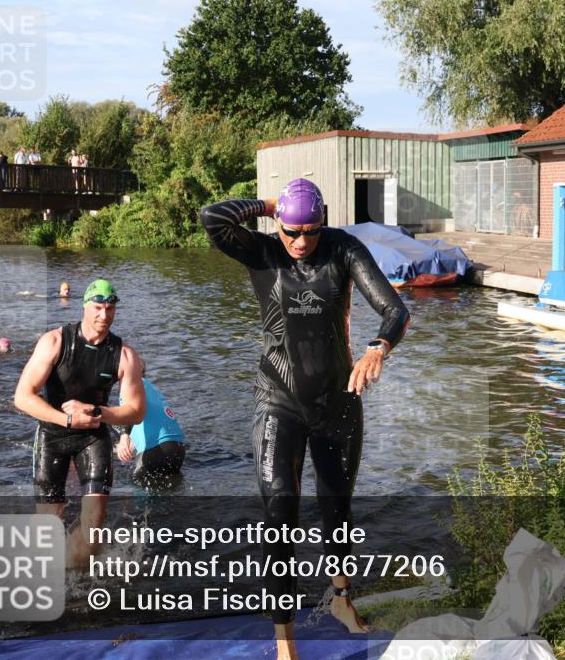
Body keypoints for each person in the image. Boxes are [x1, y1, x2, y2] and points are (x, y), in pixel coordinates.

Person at [200, 178, 410, 659]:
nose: (299, 242)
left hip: (338, 399)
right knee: (280, 513)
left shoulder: (343, 249)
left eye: (309, 231)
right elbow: (212, 217)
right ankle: (285, 642)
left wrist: (379, 347)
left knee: (337, 511)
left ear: (323, 222)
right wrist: (271, 205)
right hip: (279, 398)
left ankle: (340, 600)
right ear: (280, 225)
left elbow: (395, 310)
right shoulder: (263, 252)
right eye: (291, 230)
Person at [13, 279, 145, 567]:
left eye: (110, 308)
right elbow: (23, 397)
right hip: (52, 435)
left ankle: (68, 573)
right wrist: (68, 419)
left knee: (93, 533)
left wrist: (98, 412)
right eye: (98, 307)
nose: (104, 315)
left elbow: (136, 411)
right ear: (85, 307)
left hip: (94, 437)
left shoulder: (124, 355)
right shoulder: (55, 341)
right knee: (48, 521)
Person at [116, 365, 186, 487]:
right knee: (170, 496)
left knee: (141, 497)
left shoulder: (131, 384)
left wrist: (123, 438)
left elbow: (130, 413)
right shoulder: (150, 388)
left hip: (156, 450)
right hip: (177, 449)